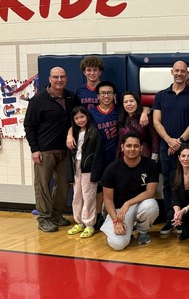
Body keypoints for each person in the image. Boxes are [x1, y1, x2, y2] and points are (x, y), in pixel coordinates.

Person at [24, 67, 81, 232]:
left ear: (67, 78)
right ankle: (43, 218)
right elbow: (29, 125)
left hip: (66, 150)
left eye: (62, 76)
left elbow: (75, 119)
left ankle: (56, 215)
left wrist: (71, 134)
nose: (59, 80)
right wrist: (34, 149)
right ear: (49, 79)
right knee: (42, 185)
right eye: (55, 77)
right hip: (44, 151)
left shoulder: (71, 97)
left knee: (63, 185)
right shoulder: (38, 100)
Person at [153, 60, 189, 235]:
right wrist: (169, 141)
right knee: (168, 184)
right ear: (172, 72)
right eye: (177, 70)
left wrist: (178, 142)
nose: (180, 73)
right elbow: (156, 121)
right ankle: (170, 219)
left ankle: (184, 221)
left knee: (188, 184)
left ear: (187, 74)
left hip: (187, 147)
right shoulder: (161, 95)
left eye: (183, 71)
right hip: (167, 147)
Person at [100, 132, 159, 250]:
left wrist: (128, 203)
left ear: (141, 148)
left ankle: (142, 232)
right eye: (128, 146)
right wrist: (116, 221)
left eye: (136, 146)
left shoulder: (151, 165)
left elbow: (150, 192)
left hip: (139, 206)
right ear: (122, 147)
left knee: (151, 205)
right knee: (117, 245)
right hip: (118, 211)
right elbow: (107, 199)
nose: (132, 149)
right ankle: (123, 228)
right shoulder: (111, 168)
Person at [67, 106, 103, 238]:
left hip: (88, 169)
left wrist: (96, 174)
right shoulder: (73, 134)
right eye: (76, 118)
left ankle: (89, 224)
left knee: (88, 196)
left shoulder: (94, 133)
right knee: (77, 195)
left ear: (87, 117)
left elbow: (98, 155)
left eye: (82, 117)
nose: (80, 120)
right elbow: (70, 154)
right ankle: (79, 222)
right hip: (76, 166)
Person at [88, 80, 121, 230]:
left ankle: (114, 216)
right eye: (103, 93)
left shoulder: (120, 111)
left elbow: (142, 108)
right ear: (98, 96)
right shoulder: (91, 113)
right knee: (99, 188)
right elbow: (76, 125)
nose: (106, 96)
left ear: (114, 95)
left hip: (117, 155)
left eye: (109, 93)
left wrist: (146, 112)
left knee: (117, 187)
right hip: (99, 156)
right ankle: (98, 216)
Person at [117, 91, 159, 160]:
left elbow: (154, 138)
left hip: (143, 156)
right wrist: (117, 157)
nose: (129, 104)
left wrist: (154, 156)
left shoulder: (145, 117)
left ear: (137, 102)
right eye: (126, 102)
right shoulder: (122, 118)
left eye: (131, 101)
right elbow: (120, 141)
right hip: (125, 157)